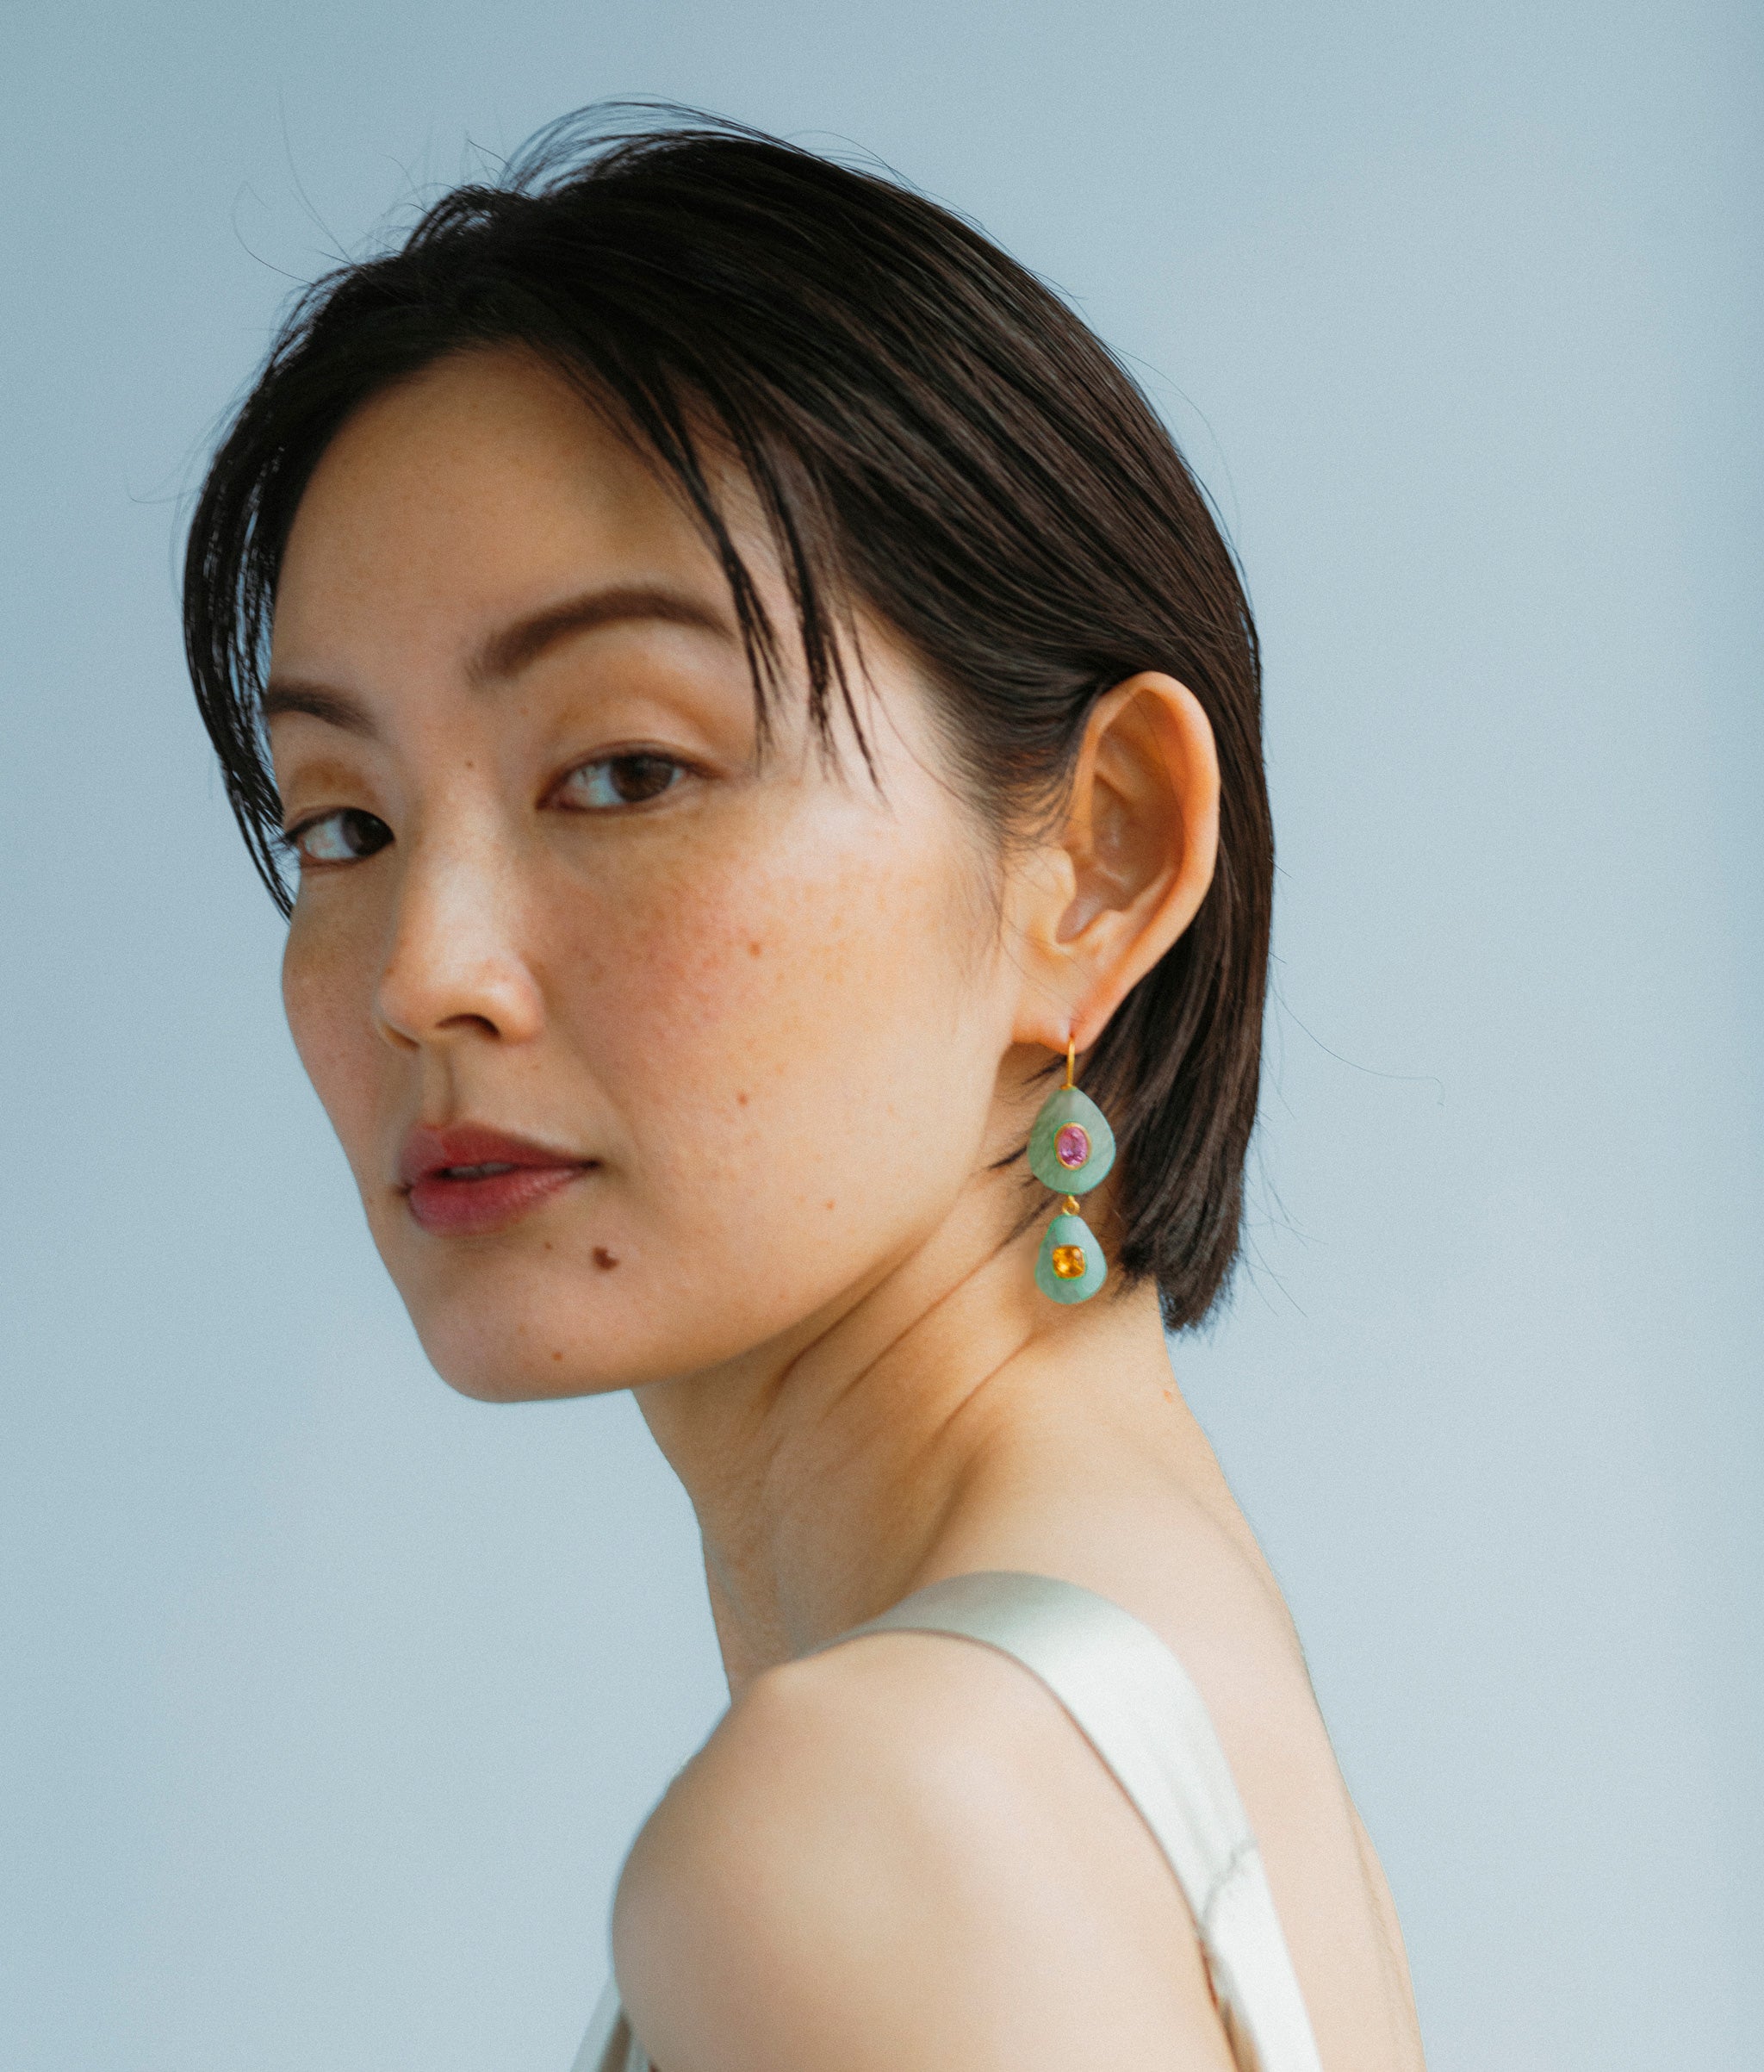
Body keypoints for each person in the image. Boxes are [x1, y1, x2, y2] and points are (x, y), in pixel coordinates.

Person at [183, 108, 1427, 2071]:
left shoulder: (866, 1823)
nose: (425, 966)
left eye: (623, 771)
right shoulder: (1139, 1709)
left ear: (1097, 855)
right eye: (342, 823)